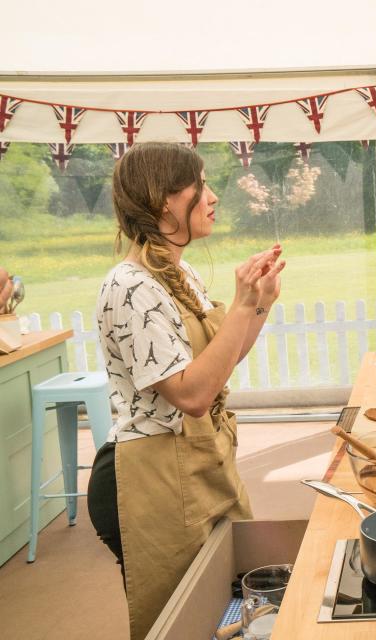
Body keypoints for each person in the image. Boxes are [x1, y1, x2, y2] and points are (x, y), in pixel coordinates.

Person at [86, 142, 286, 640]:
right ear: (163, 202)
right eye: (200, 185)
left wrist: (259, 304)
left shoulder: (179, 273)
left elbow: (220, 365)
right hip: (150, 477)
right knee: (182, 623)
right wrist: (239, 306)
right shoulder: (129, 287)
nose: (214, 196)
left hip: (198, 463)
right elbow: (193, 395)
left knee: (228, 607)